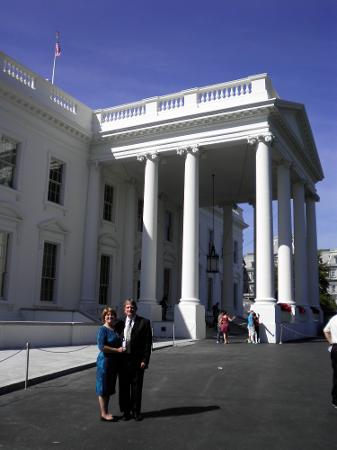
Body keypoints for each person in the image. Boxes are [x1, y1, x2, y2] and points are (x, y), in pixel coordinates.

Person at [119, 298, 152, 421]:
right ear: (124, 309)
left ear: (136, 309)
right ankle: (126, 412)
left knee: (136, 387)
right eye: (127, 307)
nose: (130, 309)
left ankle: (136, 412)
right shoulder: (120, 323)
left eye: (132, 307)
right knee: (124, 387)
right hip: (123, 361)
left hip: (137, 360)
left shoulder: (144, 322)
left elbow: (148, 344)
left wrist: (145, 360)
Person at [96, 307, 124, 422]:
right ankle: (104, 413)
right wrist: (116, 350)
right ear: (104, 317)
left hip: (114, 363)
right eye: (107, 315)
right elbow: (101, 347)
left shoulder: (115, 329)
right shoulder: (103, 329)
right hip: (105, 362)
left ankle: (106, 412)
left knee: (108, 388)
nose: (110, 317)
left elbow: (123, 322)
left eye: (112, 315)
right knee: (103, 388)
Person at [323, 312, 337, 409]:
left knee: (336, 374)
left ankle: (335, 400)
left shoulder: (334, 318)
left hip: (335, 348)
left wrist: (331, 342)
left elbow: (326, 330)